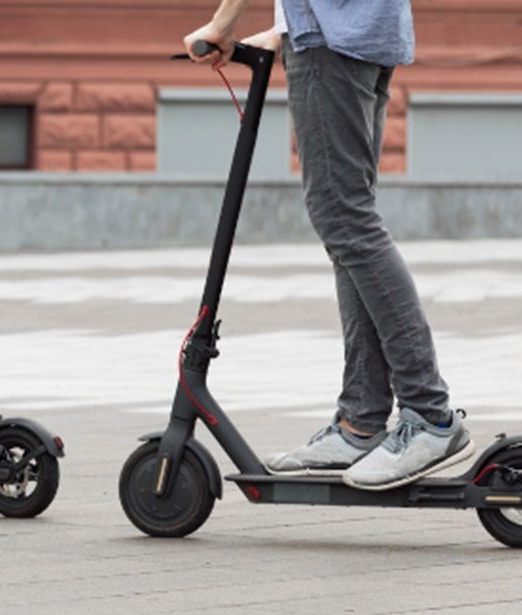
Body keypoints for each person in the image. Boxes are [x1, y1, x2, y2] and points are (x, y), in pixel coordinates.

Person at [185, 0, 473, 490]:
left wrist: (222, 22)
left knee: (347, 222)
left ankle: (429, 416)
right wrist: (283, 28)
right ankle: (360, 422)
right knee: (350, 228)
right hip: (358, 33)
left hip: (332, 43)